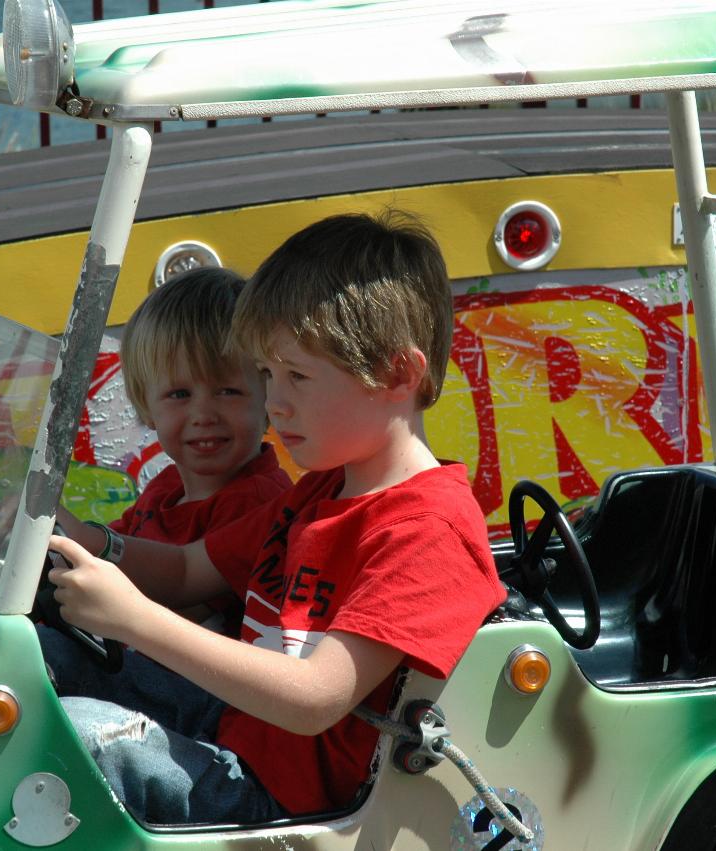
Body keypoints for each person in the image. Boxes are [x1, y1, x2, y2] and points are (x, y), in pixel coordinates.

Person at [46, 211, 505, 826]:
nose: (275, 401)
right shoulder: (320, 489)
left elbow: (315, 699)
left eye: (296, 376)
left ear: (398, 374)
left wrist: (131, 620)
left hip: (284, 795)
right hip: (239, 728)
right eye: (266, 374)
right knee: (39, 656)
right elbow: (187, 569)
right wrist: (83, 541)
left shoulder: (427, 531)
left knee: (81, 736)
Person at [50, 266, 289, 617]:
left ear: (269, 397)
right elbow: (115, 545)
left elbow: (183, 607)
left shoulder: (261, 503)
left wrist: (75, 539)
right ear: (146, 406)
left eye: (228, 391)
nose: (203, 414)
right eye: (180, 394)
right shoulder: (167, 487)